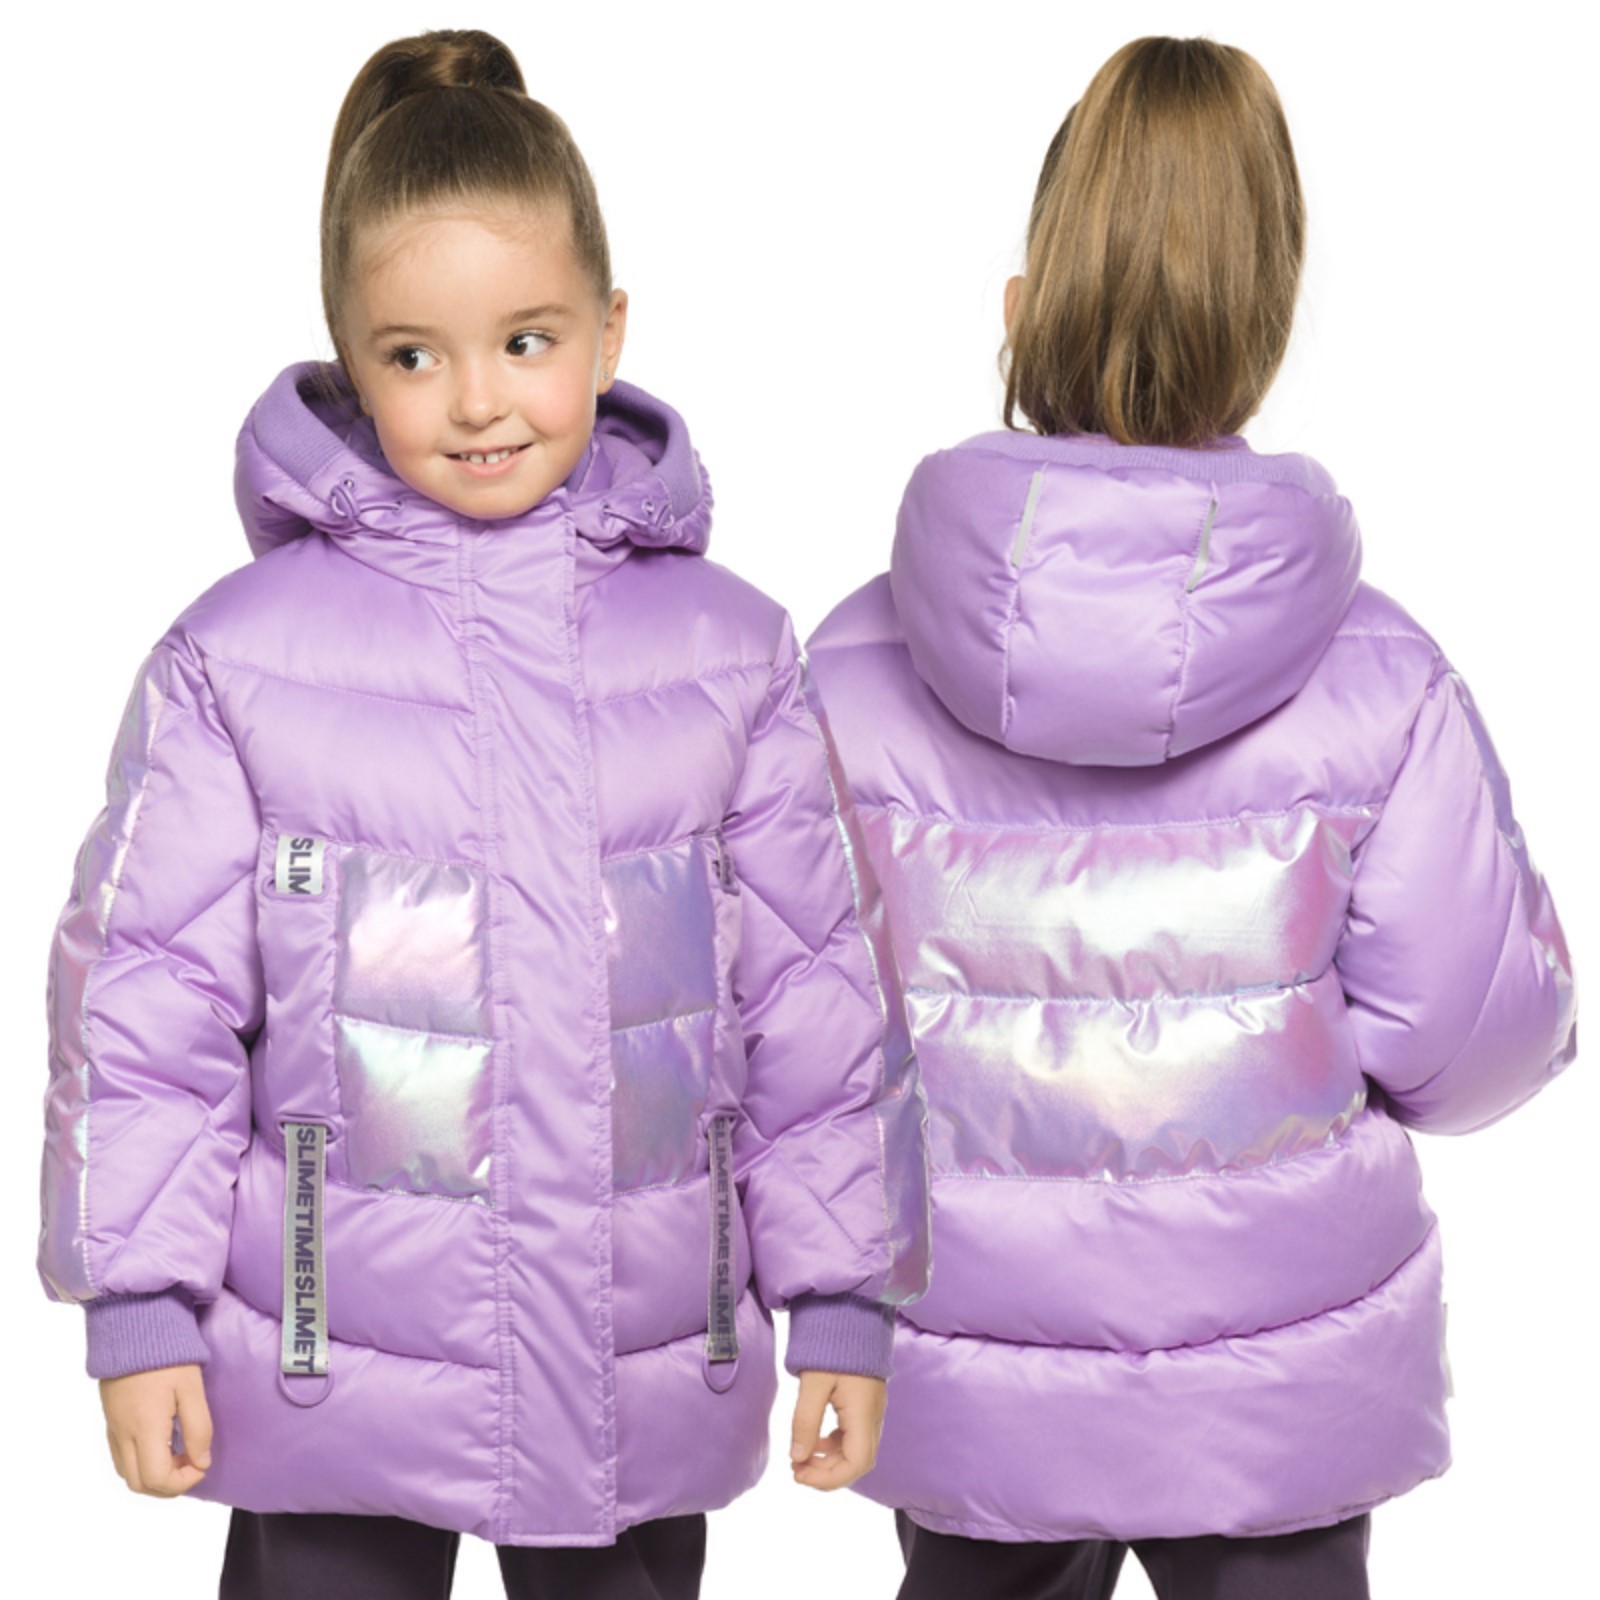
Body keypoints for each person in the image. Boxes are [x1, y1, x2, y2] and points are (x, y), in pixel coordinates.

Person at [37, 27, 929, 1600]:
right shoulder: (240, 663)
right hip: (325, 1353)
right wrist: (139, 1306)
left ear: (609, 328)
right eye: (412, 356)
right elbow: (145, 1007)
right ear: (346, 355)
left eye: (525, 340)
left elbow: (818, 1003)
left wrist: (844, 1294)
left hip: (637, 1349)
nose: (475, 402)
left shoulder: (728, 656)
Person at [805, 35, 1576, 1600]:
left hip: (973, 1367)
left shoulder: (856, 669)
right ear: (1264, 330)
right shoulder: (1382, 682)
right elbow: (1481, 1043)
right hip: (1277, 1388)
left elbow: (793, 1033)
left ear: (1023, 302)